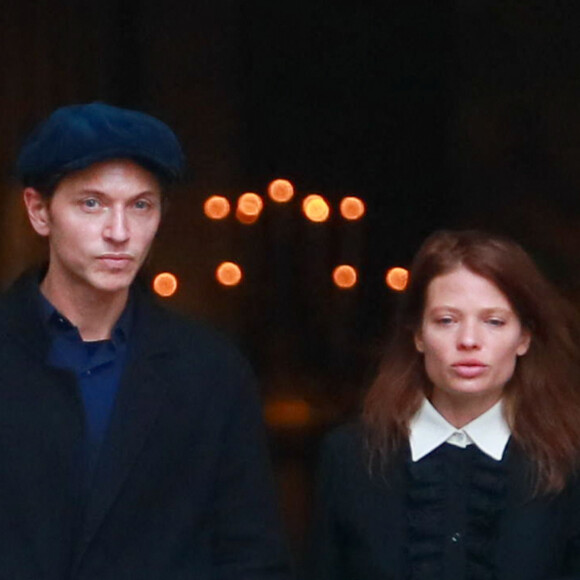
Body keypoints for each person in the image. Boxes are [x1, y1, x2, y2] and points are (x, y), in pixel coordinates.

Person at [0, 102, 291, 579]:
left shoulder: (211, 372)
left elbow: (251, 557)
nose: (120, 233)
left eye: (141, 205)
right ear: (38, 211)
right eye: (91, 203)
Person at [309, 229, 580, 580]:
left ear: (524, 337)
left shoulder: (567, 462)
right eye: (446, 320)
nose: (469, 340)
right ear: (419, 334)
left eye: (494, 321)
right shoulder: (351, 458)